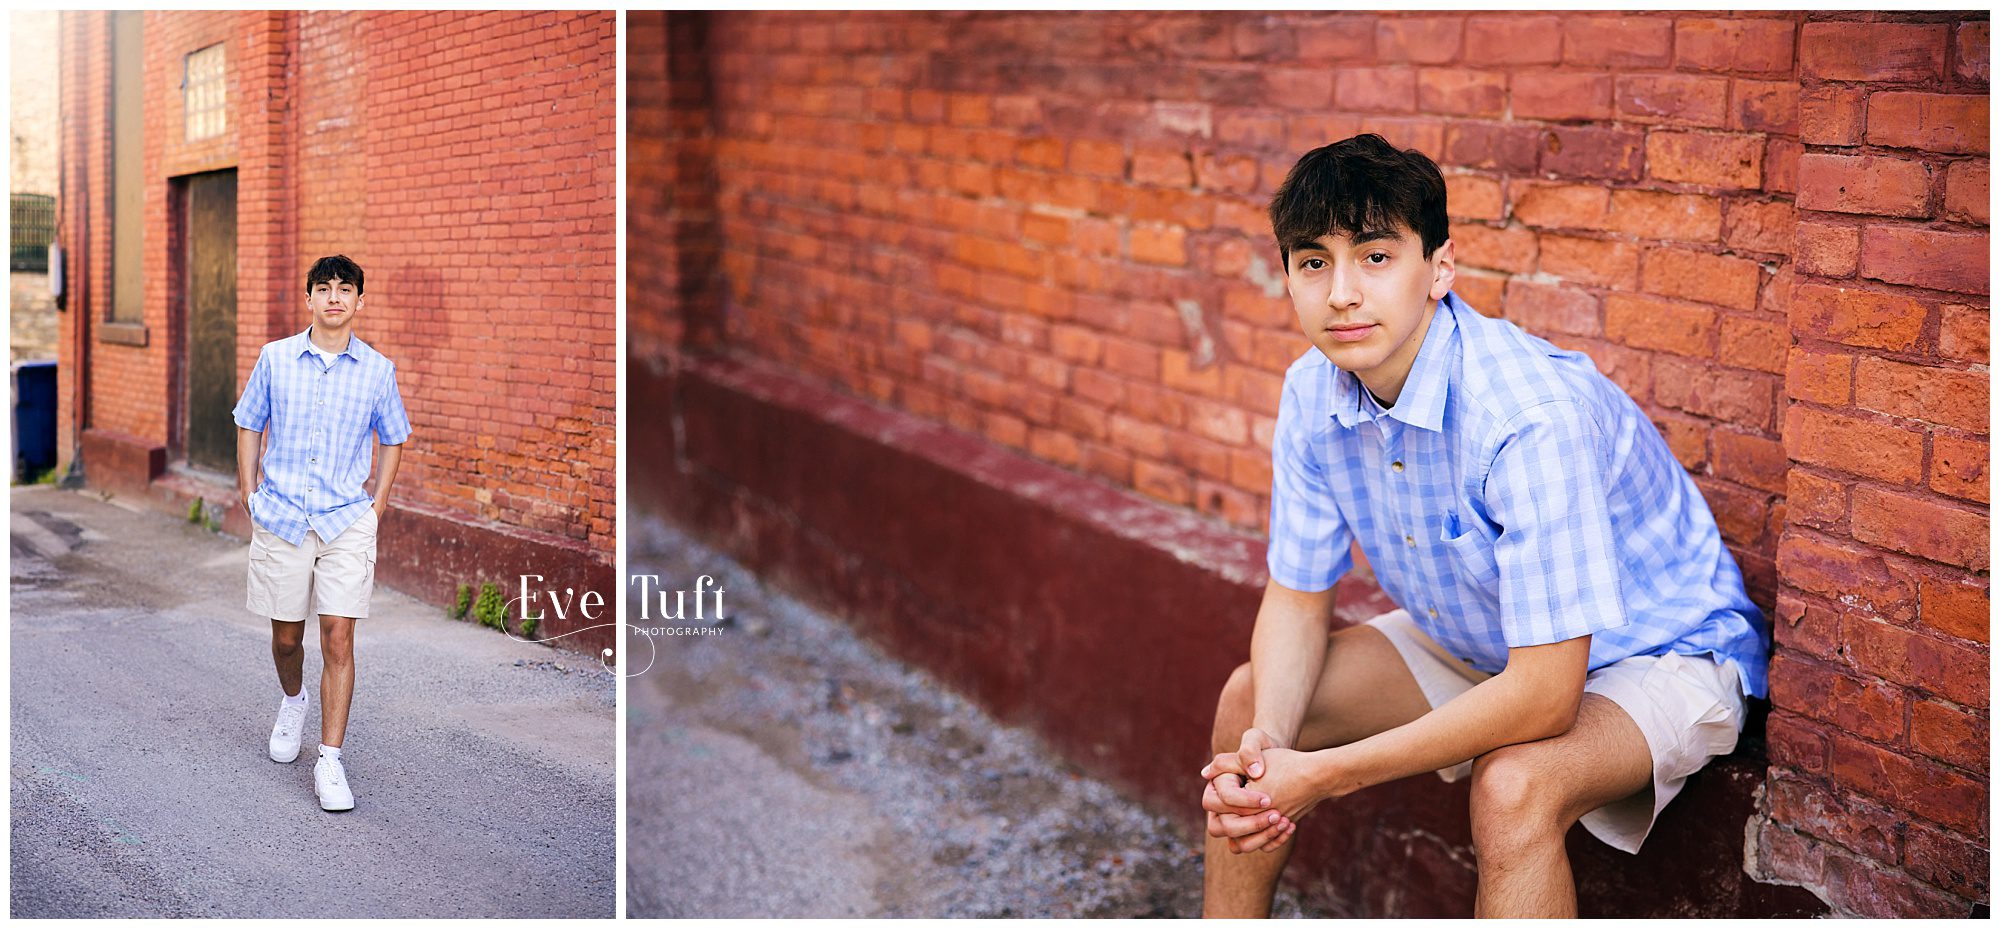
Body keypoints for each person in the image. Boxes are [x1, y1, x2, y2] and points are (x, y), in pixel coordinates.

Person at [1199, 134, 1769, 918]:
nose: (1340, 293)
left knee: (1514, 786)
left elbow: (1543, 697)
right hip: (1489, 635)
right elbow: (1298, 597)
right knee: (1247, 704)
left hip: (1656, 651)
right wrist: (1271, 748)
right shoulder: (1310, 392)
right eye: (1312, 262)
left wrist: (1324, 774)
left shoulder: (1527, 415)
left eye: (1374, 256)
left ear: (1440, 268)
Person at [233, 255, 412, 812]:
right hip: (282, 514)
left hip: (345, 520)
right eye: (324, 288)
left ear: (360, 301)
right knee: (287, 638)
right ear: (308, 298)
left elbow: (394, 437)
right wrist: (249, 494)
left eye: (345, 289)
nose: (335, 297)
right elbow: (248, 422)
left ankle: (329, 760)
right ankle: (294, 700)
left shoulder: (378, 371)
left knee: (338, 634)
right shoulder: (275, 358)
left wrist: (377, 505)